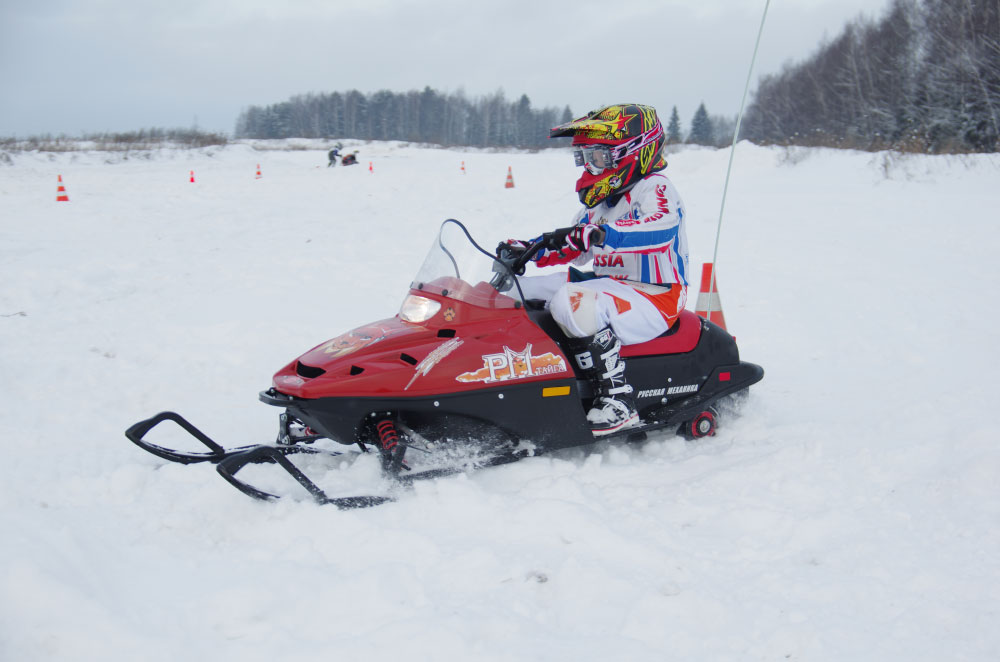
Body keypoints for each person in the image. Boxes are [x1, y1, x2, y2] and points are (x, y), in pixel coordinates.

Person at [507, 104, 690, 436]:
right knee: (516, 292)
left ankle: (617, 398)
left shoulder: (656, 189)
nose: (591, 166)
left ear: (633, 152)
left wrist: (606, 234)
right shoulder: (600, 204)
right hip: (609, 283)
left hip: (655, 294)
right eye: (586, 157)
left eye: (599, 157)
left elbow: (659, 228)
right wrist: (530, 249)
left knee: (571, 301)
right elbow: (575, 248)